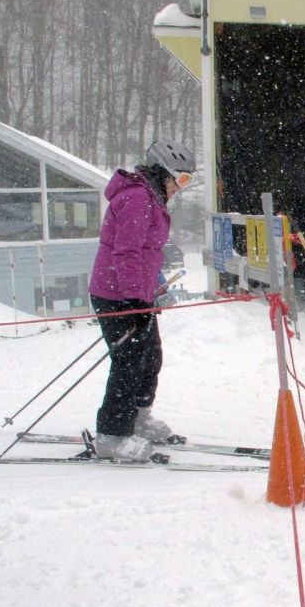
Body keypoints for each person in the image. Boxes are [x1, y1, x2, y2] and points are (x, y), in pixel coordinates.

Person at [88, 140, 195, 461]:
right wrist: (134, 299)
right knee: (129, 364)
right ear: (164, 172)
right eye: (182, 179)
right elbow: (127, 252)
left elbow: (147, 254)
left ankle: (137, 417)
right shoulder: (137, 199)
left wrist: (152, 287)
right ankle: (111, 435)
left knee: (150, 358)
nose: (182, 187)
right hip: (115, 295)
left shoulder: (150, 198)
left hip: (135, 294)